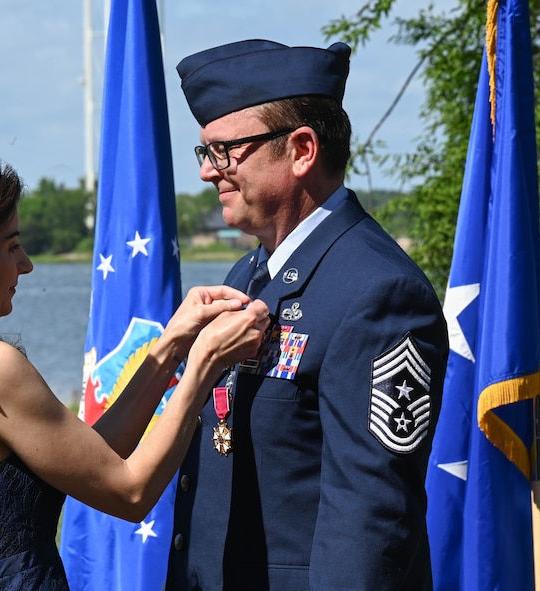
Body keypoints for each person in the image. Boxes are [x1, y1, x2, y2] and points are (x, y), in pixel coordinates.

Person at [0, 157, 270, 590]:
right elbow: (129, 492)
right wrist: (205, 362)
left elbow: (93, 458)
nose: (27, 264)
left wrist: (170, 346)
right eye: (11, 246)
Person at [166, 40, 450, 590]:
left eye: (225, 151)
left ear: (301, 150)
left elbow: (368, 523)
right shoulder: (247, 276)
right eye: (205, 153)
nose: (209, 172)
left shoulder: (378, 293)